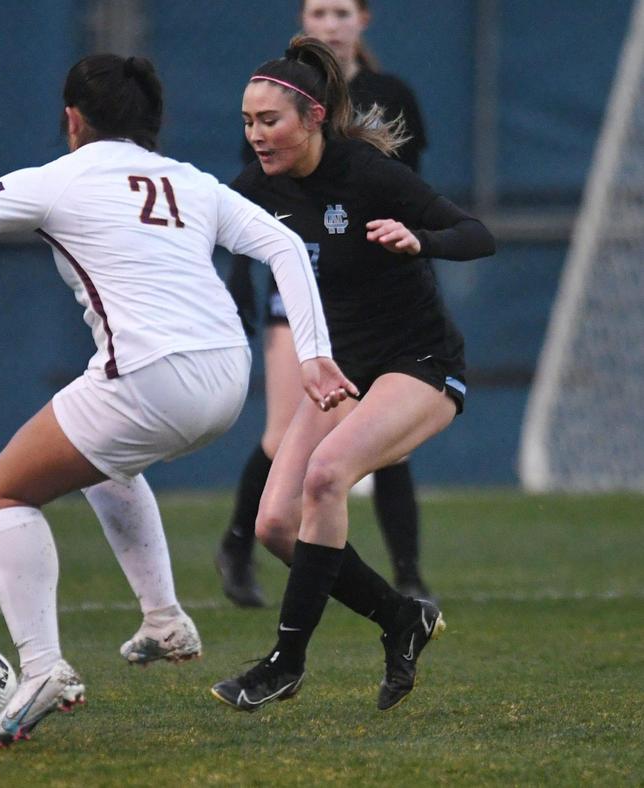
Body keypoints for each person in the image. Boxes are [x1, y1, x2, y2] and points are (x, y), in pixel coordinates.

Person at [0, 54, 355, 748]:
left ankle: (42, 667)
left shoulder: (56, 180)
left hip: (154, 376)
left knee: (3, 491)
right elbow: (282, 242)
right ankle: (163, 617)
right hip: (228, 377)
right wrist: (312, 352)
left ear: (72, 120)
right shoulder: (192, 181)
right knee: (96, 458)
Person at [210, 36, 494, 714]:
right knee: (275, 525)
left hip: (422, 364)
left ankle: (285, 662)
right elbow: (191, 223)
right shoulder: (259, 186)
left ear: (312, 117)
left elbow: (477, 233)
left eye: (269, 121)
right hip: (348, 368)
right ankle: (402, 619)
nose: (256, 136)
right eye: (247, 123)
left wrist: (421, 239)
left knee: (325, 475)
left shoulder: (367, 174)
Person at [216, 0, 432, 608]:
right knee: (285, 432)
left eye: (342, 11)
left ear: (364, 20)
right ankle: (239, 543)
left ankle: (409, 576)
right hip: (300, 287)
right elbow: (246, 205)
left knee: (385, 436)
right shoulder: (276, 102)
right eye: (319, 11)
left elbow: (411, 195)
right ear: (303, 24)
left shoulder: (390, 94)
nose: (330, 23)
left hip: (375, 295)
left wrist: (415, 251)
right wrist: (239, 279)